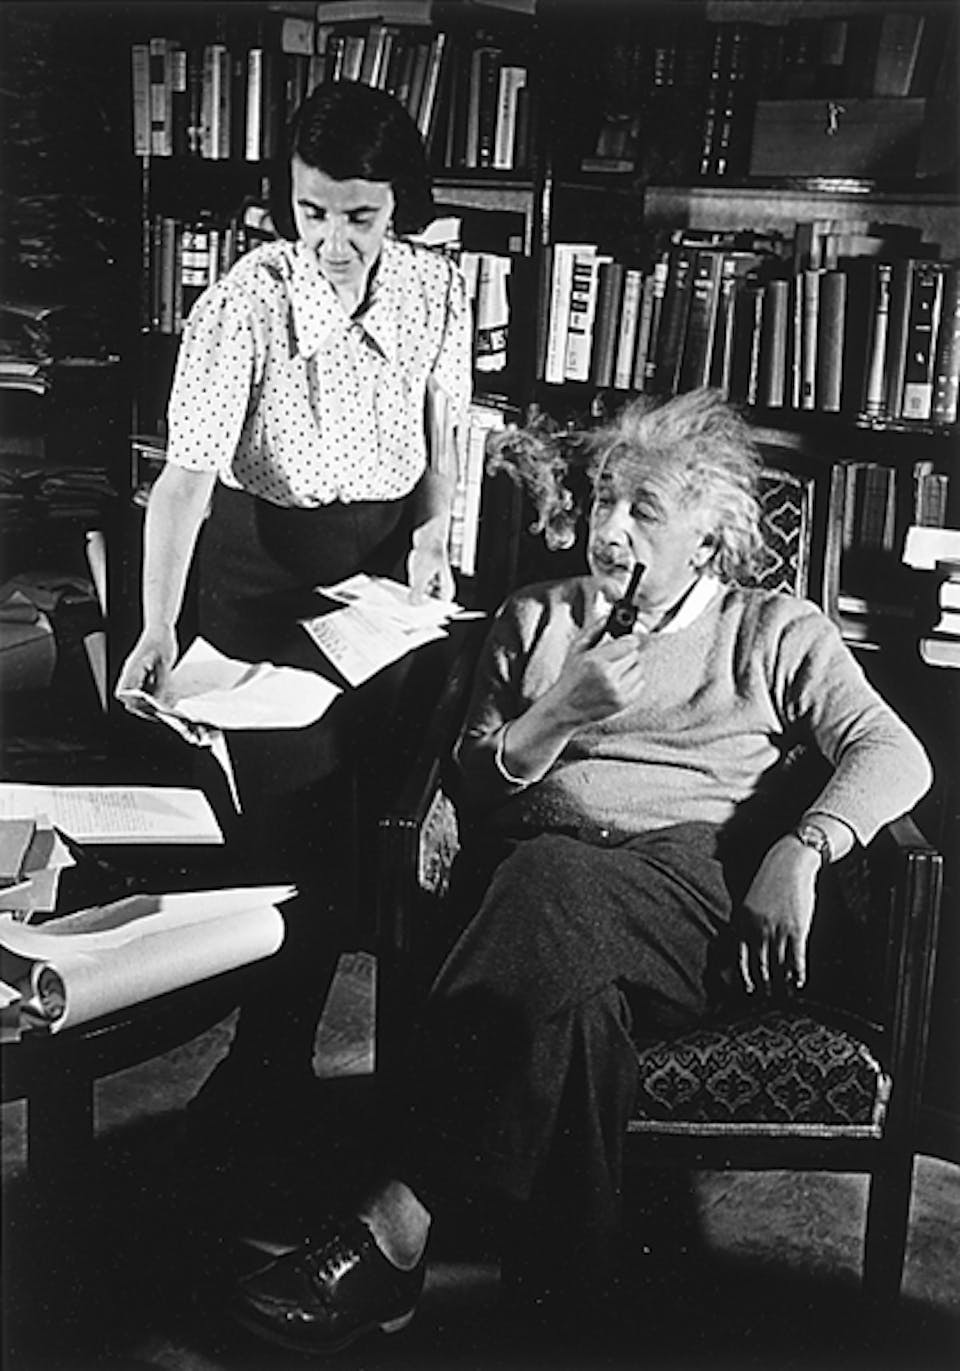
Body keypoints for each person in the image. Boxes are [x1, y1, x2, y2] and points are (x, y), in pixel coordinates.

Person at [231, 388, 932, 1356]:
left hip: (691, 891)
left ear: (708, 537)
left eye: (644, 509)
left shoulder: (773, 629)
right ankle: (570, 1329)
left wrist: (803, 845)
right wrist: (560, 709)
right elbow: (471, 786)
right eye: (604, 498)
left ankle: (392, 1224)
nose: (610, 528)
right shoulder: (536, 619)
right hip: (537, 891)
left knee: (548, 887)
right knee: (577, 1010)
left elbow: (895, 754)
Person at [115, 81, 471, 1121]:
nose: (333, 241)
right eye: (312, 211)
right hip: (262, 577)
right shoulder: (244, 300)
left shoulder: (436, 288)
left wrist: (435, 536)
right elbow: (183, 482)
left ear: (400, 204)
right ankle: (263, 1072)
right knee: (290, 842)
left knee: (385, 829)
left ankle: (362, 1084)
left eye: (360, 216)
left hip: (381, 583)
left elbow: (445, 430)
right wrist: (158, 624)